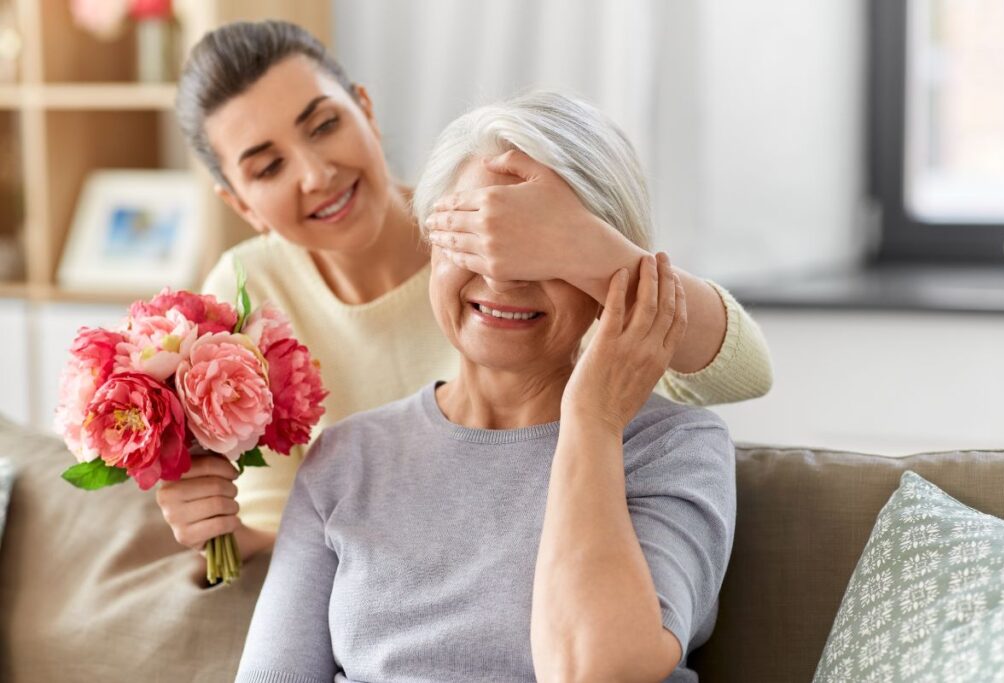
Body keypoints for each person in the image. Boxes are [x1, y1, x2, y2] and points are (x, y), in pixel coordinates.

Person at [157, 20, 769, 565]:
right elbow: (288, 537)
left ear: (364, 109)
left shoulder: (506, 231)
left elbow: (742, 375)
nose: (316, 174)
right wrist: (218, 529)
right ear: (240, 203)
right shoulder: (246, 295)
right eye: (267, 168)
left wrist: (586, 244)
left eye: (324, 125)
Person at [235, 91, 735, 683]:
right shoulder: (346, 457)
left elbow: (598, 672)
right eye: (475, 234)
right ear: (429, 239)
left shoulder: (673, 448)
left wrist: (593, 420)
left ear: (604, 271)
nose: (500, 274)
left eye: (542, 248)